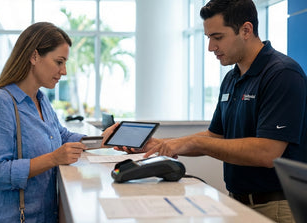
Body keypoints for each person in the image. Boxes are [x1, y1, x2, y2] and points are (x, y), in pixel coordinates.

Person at [112, 0, 307, 222]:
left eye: (218, 37)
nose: (211, 47)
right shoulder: (232, 78)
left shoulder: (282, 74)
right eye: (208, 38)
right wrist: (163, 144)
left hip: (276, 206)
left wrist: (195, 143)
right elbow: (216, 135)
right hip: (236, 200)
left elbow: (268, 152)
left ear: (246, 30)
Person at [0, 22, 113, 223]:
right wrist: (53, 158)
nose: (64, 71)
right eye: (59, 62)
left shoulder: (40, 99)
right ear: (34, 56)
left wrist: (102, 141)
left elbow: (62, 135)